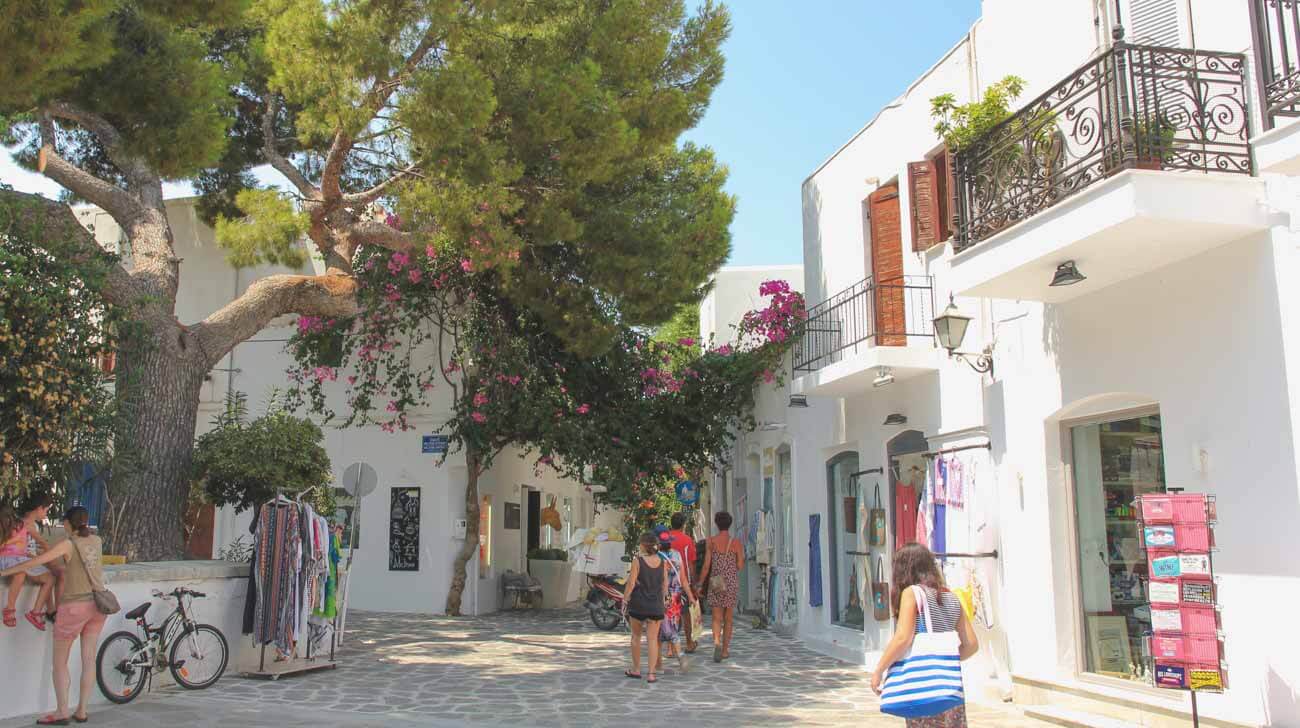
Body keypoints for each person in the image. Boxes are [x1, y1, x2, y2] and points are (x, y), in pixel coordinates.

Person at [1, 507, 107, 725]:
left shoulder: (68, 544)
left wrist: (4, 572)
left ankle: (61, 711)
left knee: (60, 663)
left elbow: (34, 564)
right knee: (89, 660)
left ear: (68, 523)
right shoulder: (97, 540)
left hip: (74, 607)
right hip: (98, 605)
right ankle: (82, 711)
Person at [870, 543, 979, 728]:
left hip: (924, 685)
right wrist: (944, 660)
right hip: (949, 687)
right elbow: (972, 645)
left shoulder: (912, 593)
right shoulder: (951, 597)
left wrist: (879, 670)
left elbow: (903, 638)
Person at [1, 493, 57, 631]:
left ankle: (40, 611)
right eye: (46, 510)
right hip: (14, 560)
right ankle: (14, 609)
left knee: (50, 577)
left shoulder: (23, 525)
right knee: (24, 573)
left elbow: (31, 546)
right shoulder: (16, 526)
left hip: (23, 558)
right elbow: (40, 544)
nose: (46, 513)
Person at [695, 510, 743, 663]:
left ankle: (716, 643)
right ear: (730, 525)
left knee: (716, 618)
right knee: (728, 618)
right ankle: (725, 650)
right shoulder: (736, 543)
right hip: (731, 582)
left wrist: (700, 583)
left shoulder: (711, 541)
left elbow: (706, 566)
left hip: (716, 581)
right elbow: (740, 565)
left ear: (716, 524)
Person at [621, 531, 667, 684]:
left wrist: (625, 600)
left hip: (639, 604)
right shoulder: (663, 562)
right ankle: (652, 674)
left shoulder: (637, 561)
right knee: (652, 639)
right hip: (656, 606)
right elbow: (664, 586)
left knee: (636, 636)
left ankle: (636, 669)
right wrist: (663, 601)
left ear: (643, 545)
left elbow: (631, 583)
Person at [652, 529, 695, 675]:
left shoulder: (656, 558)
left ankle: (664, 662)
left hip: (660, 598)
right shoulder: (677, 555)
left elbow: (657, 581)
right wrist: (690, 596)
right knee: (672, 627)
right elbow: (683, 579)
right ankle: (677, 656)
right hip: (675, 599)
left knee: (657, 631)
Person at [665, 512, 698, 652]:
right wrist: (694, 582)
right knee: (685, 614)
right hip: (683, 580)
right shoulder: (687, 540)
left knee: (669, 613)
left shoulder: (666, 539)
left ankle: (670, 648)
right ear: (683, 525)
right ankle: (689, 643)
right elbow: (690, 564)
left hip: (667, 580)